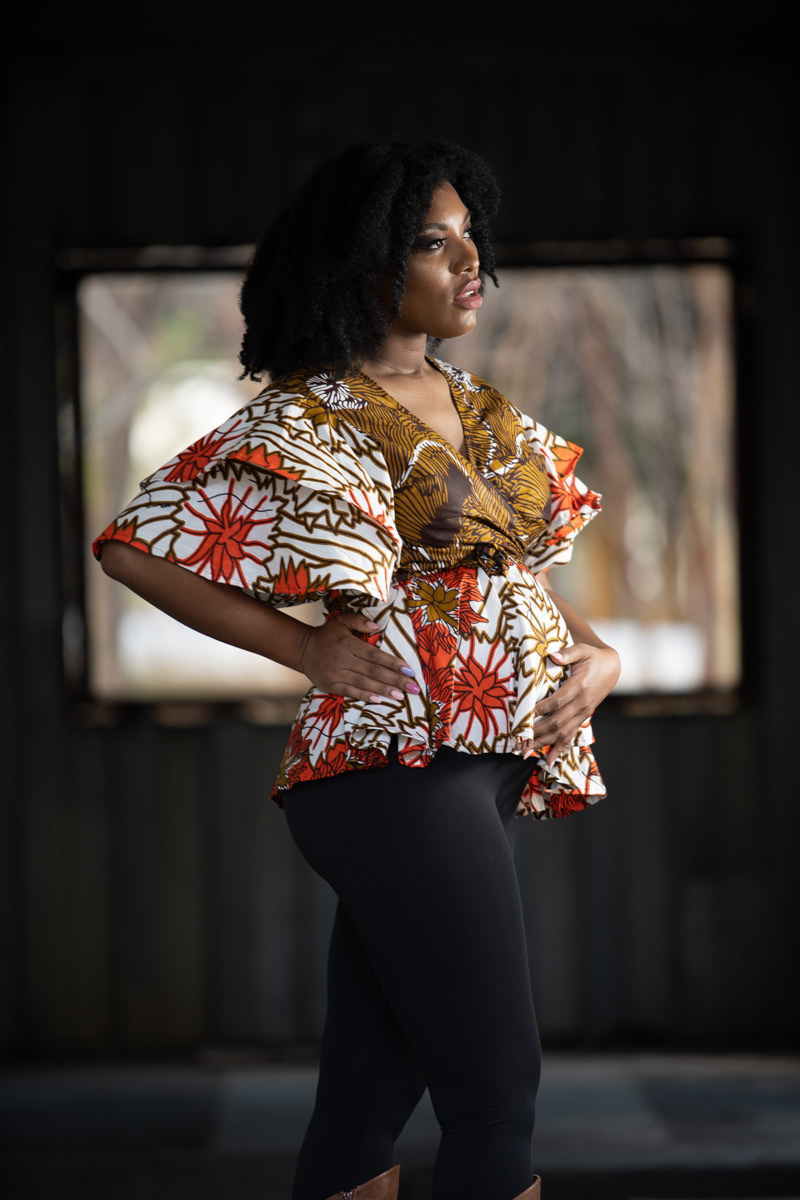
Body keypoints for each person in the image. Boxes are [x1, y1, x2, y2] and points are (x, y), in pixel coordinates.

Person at [95, 141, 620, 1200]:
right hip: (396, 770)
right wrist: (299, 646)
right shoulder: (308, 414)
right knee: (496, 1095)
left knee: (363, 1104)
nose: (469, 262)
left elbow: (505, 565)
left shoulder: (476, 405)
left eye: (470, 237)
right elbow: (133, 547)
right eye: (432, 242)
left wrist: (595, 654)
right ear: (362, 260)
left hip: (484, 764)